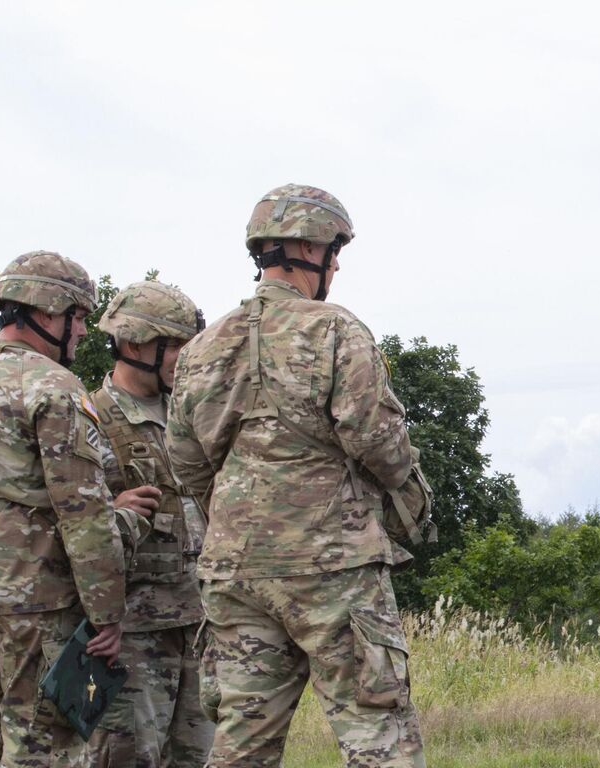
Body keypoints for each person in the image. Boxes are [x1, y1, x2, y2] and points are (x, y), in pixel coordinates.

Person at [167, 184, 432, 768]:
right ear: (313, 250)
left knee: (242, 736)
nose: (337, 263)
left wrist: (235, 511)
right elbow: (376, 437)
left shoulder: (201, 348)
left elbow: (184, 459)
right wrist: (406, 494)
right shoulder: (335, 329)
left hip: (235, 566)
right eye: (335, 250)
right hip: (331, 563)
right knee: (375, 724)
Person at [0, 251, 161, 768]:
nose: (84, 331)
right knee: (40, 746)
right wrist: (106, 615)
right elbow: (83, 513)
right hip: (35, 596)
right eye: (79, 316)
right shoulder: (52, 386)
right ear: (48, 312)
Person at [84, 280, 214, 767]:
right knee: (126, 757)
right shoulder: (90, 416)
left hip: (200, 622)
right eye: (175, 345)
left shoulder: (193, 414)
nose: (184, 357)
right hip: (131, 630)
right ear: (135, 344)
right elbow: (72, 524)